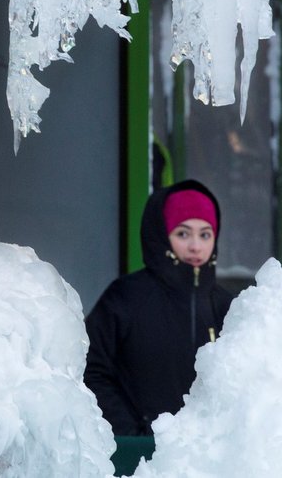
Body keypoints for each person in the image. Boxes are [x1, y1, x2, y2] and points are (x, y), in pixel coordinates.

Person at [84, 179, 233, 436]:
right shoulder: (126, 297)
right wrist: (130, 433)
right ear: (162, 234)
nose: (196, 246)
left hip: (207, 462)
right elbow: (91, 369)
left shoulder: (227, 307)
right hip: (137, 459)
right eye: (183, 233)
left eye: (205, 234)